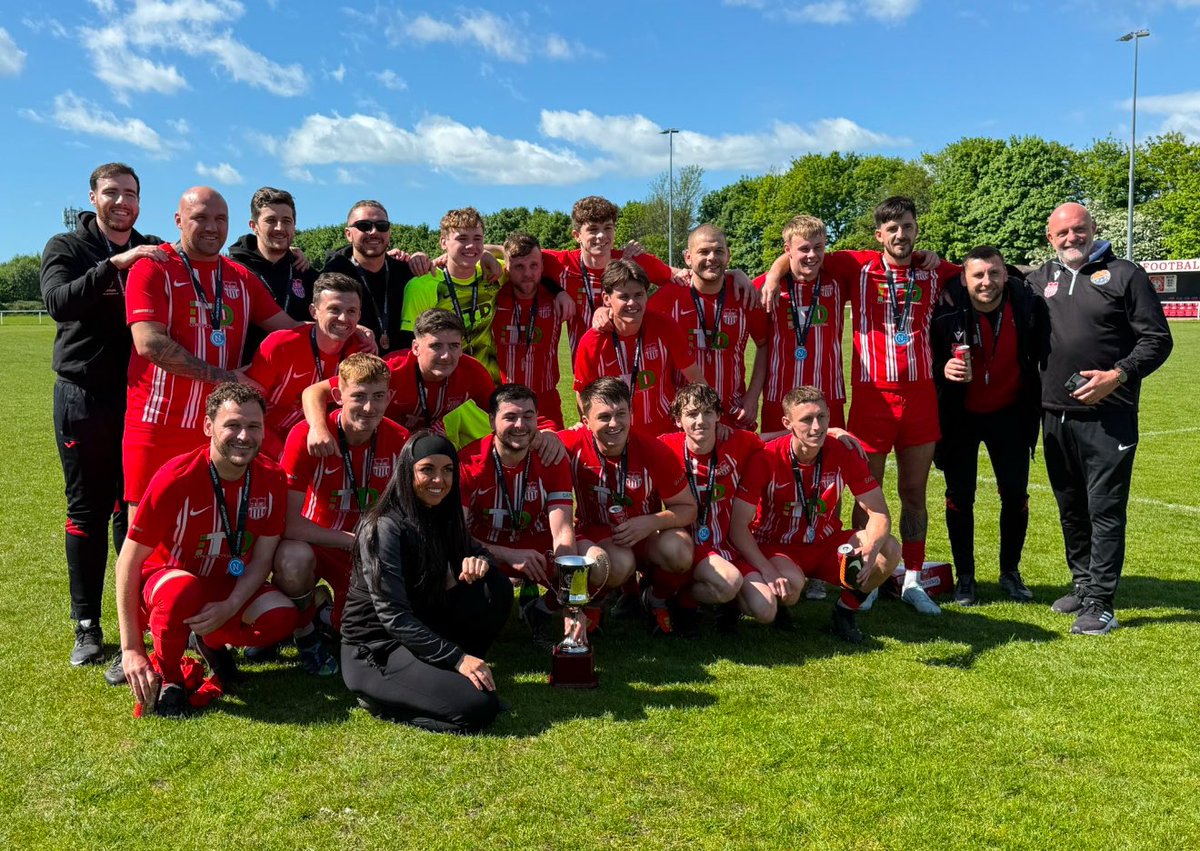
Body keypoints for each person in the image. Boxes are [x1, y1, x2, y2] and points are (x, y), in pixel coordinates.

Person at [764, 197, 959, 615]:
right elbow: (798, 254)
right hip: (872, 398)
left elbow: (979, 275)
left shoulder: (934, 269)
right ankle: (863, 575)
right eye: (892, 228)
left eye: (907, 227)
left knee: (914, 492)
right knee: (865, 492)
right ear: (878, 234)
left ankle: (912, 579)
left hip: (921, 396)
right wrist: (774, 274)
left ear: (917, 229)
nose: (901, 235)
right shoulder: (857, 266)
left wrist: (937, 258)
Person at [1026, 203, 1172, 635]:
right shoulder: (1039, 280)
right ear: (1050, 238)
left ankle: (1101, 603)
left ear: (1093, 229)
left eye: (1079, 230)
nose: (1072, 238)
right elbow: (987, 281)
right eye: (1062, 233)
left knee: (1104, 509)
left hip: (1110, 417)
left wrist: (1118, 375)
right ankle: (1083, 583)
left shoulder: (1126, 275)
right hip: (1055, 414)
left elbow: (1157, 340)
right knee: (1071, 508)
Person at [40, 162, 164, 669]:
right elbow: (57, 303)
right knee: (88, 511)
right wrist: (114, 265)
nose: (122, 202)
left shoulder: (153, 247)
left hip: (140, 400)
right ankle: (87, 625)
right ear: (92, 198)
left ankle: (136, 618)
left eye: (130, 193)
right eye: (111, 192)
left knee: (131, 511)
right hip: (84, 398)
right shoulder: (67, 247)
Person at [115, 383, 299, 717]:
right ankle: (170, 677)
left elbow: (262, 559)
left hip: (225, 583)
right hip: (169, 584)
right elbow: (128, 560)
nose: (244, 436)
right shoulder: (176, 477)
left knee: (281, 617)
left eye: (253, 426)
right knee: (182, 591)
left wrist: (230, 605)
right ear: (207, 426)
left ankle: (209, 640)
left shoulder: (272, 476)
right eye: (233, 425)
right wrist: (130, 648)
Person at [340, 431, 513, 733]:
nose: (439, 480)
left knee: (494, 587)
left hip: (420, 629)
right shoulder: (383, 527)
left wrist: (479, 561)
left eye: (447, 470)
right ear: (407, 472)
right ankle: (380, 702)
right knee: (478, 708)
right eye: (427, 469)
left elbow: (479, 551)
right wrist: (456, 658)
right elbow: (393, 616)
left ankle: (458, 677)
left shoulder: (440, 513)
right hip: (377, 649)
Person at [728, 386, 901, 643]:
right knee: (792, 587)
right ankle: (772, 604)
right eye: (807, 419)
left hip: (825, 543)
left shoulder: (843, 450)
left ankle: (845, 611)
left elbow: (879, 513)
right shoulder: (766, 457)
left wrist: (871, 549)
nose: (817, 427)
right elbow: (738, 526)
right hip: (778, 546)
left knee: (889, 549)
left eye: (821, 417)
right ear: (787, 423)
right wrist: (767, 568)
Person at [274, 353, 410, 674]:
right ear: (337, 395)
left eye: (378, 396)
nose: (369, 407)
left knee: (350, 627)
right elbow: (287, 523)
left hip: (366, 550)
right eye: (359, 396)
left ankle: (323, 611)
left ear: (390, 397)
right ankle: (305, 634)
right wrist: (349, 539)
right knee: (292, 560)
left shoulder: (400, 440)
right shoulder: (306, 436)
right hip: (318, 542)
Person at [930, 246, 1042, 605]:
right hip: (960, 414)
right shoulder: (946, 306)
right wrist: (942, 370)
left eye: (994, 273)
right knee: (959, 495)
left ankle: (1010, 572)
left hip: (1010, 412)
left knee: (1015, 494)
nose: (986, 281)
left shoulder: (1025, 302)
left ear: (1005, 274)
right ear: (964, 278)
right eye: (978, 274)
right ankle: (965, 577)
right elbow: (925, 356)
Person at [558, 377, 697, 628]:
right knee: (617, 563)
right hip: (595, 534)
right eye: (604, 417)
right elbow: (535, 441)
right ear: (585, 421)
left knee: (680, 550)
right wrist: (546, 436)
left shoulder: (654, 450)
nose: (614, 423)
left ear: (631, 414)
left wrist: (650, 522)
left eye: (621, 414)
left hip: (643, 534)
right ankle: (593, 604)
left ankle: (654, 598)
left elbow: (688, 508)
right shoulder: (571, 444)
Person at [459, 384, 576, 643]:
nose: (520, 425)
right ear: (492, 420)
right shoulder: (469, 462)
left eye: (528, 416)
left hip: (537, 552)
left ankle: (542, 608)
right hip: (486, 550)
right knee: (478, 596)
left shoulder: (551, 457)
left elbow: (563, 532)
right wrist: (508, 555)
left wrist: (572, 598)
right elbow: (455, 536)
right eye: (510, 417)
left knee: (592, 568)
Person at [301, 308, 495, 445]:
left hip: (422, 438)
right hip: (368, 438)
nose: (446, 356)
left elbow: (500, 411)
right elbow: (314, 391)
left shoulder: (472, 372)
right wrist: (318, 429)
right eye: (436, 346)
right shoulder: (389, 370)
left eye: (454, 346)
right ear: (416, 348)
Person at [657, 384, 760, 635]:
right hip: (682, 543)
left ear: (718, 416)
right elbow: (627, 445)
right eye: (692, 414)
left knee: (765, 608)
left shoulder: (738, 442)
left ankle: (700, 599)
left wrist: (826, 432)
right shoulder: (664, 447)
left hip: (724, 543)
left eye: (707, 412)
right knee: (729, 582)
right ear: (678, 420)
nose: (700, 421)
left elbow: (776, 443)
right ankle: (673, 599)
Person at [650, 225, 767, 431]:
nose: (712, 258)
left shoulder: (744, 294)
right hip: (684, 417)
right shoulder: (669, 296)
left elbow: (763, 344)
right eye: (703, 252)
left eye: (719, 251)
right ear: (688, 257)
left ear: (728, 255)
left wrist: (752, 396)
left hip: (734, 412)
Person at [244, 271, 373, 458]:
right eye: (334, 309)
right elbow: (246, 408)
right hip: (264, 447)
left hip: (320, 448)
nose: (343, 318)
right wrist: (282, 453)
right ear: (314, 311)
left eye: (351, 311)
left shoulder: (361, 352)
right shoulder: (281, 346)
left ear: (359, 315)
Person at [574, 260, 703, 436]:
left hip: (664, 432)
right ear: (606, 299)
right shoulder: (591, 342)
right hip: (616, 435)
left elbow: (695, 378)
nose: (632, 303)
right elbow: (582, 394)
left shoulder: (665, 326)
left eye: (639, 295)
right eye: (624, 297)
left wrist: (708, 415)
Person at [750, 215, 850, 439]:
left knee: (829, 456)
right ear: (788, 250)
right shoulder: (766, 287)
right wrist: (772, 274)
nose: (812, 255)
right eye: (804, 249)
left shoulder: (837, 280)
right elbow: (761, 344)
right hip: (779, 397)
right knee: (779, 457)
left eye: (818, 247)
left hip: (828, 396)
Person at [321, 199, 427, 355]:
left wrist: (433, 260)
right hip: (352, 364)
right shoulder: (332, 274)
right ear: (348, 234)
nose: (374, 232)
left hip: (403, 364)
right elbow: (319, 318)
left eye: (382, 226)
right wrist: (355, 328)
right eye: (364, 225)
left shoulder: (407, 271)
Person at [228, 186, 318, 358]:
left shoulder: (307, 273)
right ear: (253, 226)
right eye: (270, 220)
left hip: (297, 370)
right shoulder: (232, 270)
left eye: (286, 221)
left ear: (294, 225)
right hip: (244, 371)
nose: (279, 228)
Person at [491, 233, 569, 428]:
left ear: (542, 265)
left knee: (554, 447)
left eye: (533, 265)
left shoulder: (556, 298)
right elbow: (468, 254)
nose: (527, 273)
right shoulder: (493, 296)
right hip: (503, 399)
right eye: (519, 266)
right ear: (506, 267)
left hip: (546, 402)